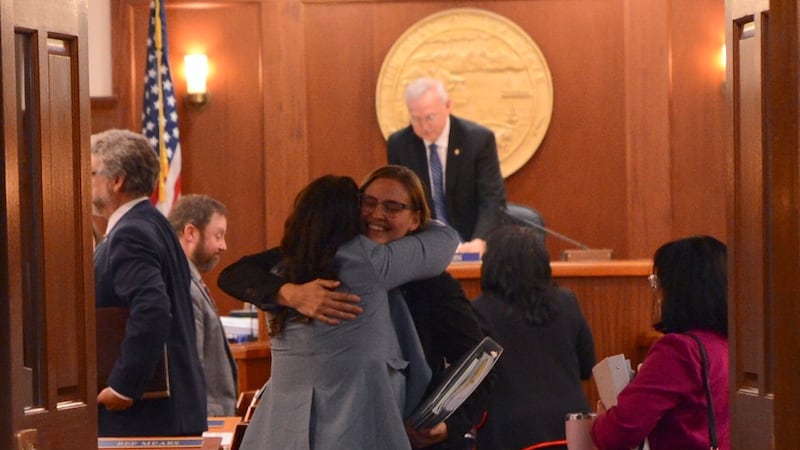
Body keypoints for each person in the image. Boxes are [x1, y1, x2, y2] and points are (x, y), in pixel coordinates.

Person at [219, 165, 488, 449]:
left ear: (415, 219)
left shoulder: (288, 268)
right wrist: (290, 293)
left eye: (392, 207)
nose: (376, 215)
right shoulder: (351, 263)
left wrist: (450, 426)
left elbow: (478, 362)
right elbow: (446, 238)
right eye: (368, 203)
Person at [92, 129, 206, 436]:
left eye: (92, 173)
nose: (86, 181)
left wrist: (123, 386)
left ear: (116, 180)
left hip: (145, 418)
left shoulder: (131, 233)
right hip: (169, 414)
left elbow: (152, 309)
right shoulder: (156, 224)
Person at [591, 235, 729, 450]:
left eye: (657, 283)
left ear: (677, 290)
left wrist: (601, 421)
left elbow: (617, 432)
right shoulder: (733, 346)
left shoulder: (679, 351)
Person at [471, 225, 596, 449]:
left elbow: (472, 383)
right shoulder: (567, 301)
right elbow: (587, 366)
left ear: (490, 264)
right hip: (570, 429)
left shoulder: (479, 311)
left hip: (510, 432)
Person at [387, 77, 507, 255]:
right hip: (426, 247)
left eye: (430, 117)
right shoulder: (400, 144)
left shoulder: (477, 140)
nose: (424, 126)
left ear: (447, 106)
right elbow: (401, 204)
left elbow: (492, 199)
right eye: (416, 119)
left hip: (471, 239)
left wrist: (479, 240)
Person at [169, 194, 238, 417]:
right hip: (205, 419)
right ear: (190, 233)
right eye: (218, 236)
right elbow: (191, 365)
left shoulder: (189, 281)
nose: (223, 246)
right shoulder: (184, 286)